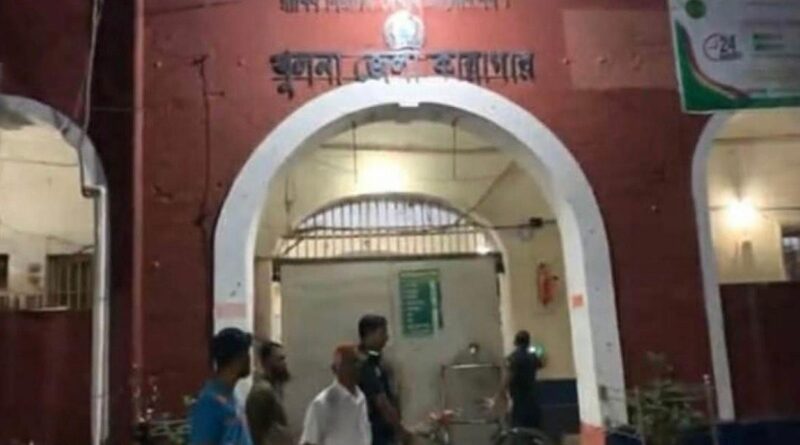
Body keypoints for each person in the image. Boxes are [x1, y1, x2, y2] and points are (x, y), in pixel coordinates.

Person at [189, 327, 254, 445]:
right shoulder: (209, 402)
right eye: (246, 354)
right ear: (237, 359)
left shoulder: (234, 396)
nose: (249, 359)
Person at [300, 345, 371, 445]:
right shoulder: (322, 404)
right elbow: (309, 441)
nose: (357, 367)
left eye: (358, 362)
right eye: (351, 363)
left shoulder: (361, 398)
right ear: (335, 369)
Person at [356, 314, 410, 445]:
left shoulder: (377, 361)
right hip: (374, 433)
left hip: (384, 432)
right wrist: (400, 429)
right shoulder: (364, 365)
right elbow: (381, 402)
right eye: (382, 333)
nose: (386, 338)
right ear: (369, 333)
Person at [494, 330, 544, 429]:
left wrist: (500, 393)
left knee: (518, 427)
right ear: (528, 342)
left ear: (515, 342)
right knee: (533, 427)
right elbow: (541, 364)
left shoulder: (513, 358)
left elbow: (508, 377)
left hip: (518, 397)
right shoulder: (533, 356)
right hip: (532, 396)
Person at [246, 341, 292, 445]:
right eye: (280, 359)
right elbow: (254, 433)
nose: (284, 363)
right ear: (267, 362)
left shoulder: (274, 389)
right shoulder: (262, 392)